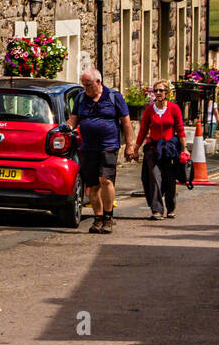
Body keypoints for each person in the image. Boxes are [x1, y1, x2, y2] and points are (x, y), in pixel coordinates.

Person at [68, 68, 134, 234]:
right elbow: (74, 119)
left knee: (106, 180)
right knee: (92, 185)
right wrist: (67, 128)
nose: (85, 89)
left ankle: (108, 217)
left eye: (88, 85)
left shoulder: (114, 97)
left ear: (98, 82)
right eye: (83, 85)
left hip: (109, 145)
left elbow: (126, 122)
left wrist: (130, 145)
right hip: (88, 147)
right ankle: (97, 219)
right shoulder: (81, 98)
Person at [130, 79, 186, 220]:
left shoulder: (174, 108)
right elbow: (143, 130)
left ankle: (171, 207)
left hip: (169, 149)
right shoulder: (149, 109)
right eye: (156, 90)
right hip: (153, 149)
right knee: (154, 178)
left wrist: (184, 149)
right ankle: (157, 210)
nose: (158, 93)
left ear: (167, 92)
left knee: (169, 179)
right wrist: (136, 148)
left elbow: (180, 129)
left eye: (161, 90)